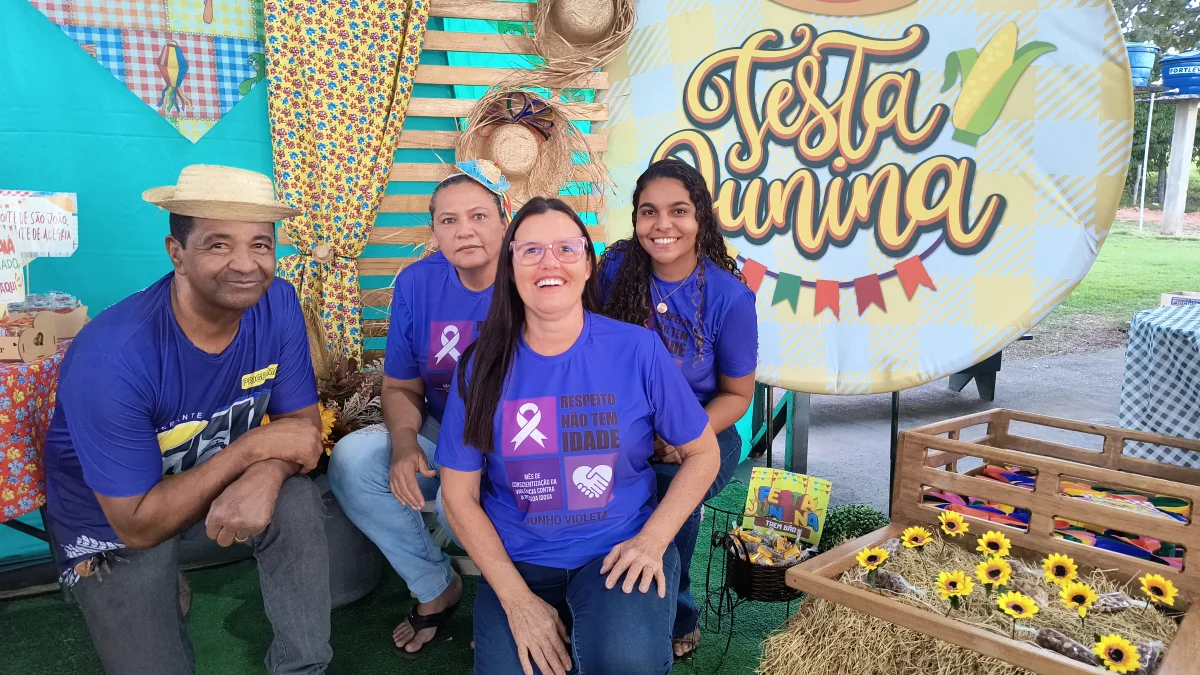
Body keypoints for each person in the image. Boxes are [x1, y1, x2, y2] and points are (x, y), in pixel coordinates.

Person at [42, 165, 331, 675]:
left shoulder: (278, 302)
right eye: (219, 245)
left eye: (261, 245)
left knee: (297, 499)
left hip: (212, 491)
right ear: (176, 253)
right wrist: (249, 451)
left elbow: (303, 432)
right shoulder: (113, 357)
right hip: (115, 523)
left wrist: (267, 472)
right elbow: (138, 524)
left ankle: (303, 669)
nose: (246, 264)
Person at [437, 197, 721, 675]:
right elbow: (458, 495)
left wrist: (652, 541)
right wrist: (516, 601)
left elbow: (703, 453)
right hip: (520, 561)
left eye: (566, 248)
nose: (549, 262)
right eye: (531, 250)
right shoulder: (479, 366)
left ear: (588, 264)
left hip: (618, 550)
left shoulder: (637, 349)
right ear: (510, 267)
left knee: (624, 661)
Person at [327, 160, 511, 657]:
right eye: (448, 220)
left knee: (460, 506)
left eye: (478, 216)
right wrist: (405, 443)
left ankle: (509, 597)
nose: (464, 230)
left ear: (505, 220)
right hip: (440, 430)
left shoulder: (533, 277)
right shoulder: (417, 284)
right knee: (354, 462)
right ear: (434, 230)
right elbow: (401, 385)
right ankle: (435, 585)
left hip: (515, 444)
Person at [598, 158, 758, 660]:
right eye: (649, 211)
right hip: (623, 426)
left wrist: (680, 436)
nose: (662, 224)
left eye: (679, 211)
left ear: (701, 217)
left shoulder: (730, 297)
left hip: (706, 429)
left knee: (672, 494)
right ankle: (593, 594)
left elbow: (738, 395)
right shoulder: (615, 269)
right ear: (635, 218)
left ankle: (678, 611)